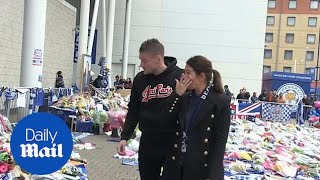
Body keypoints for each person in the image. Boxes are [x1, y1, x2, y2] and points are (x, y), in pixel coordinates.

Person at [117, 38, 183, 180]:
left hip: (172, 141)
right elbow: (133, 110)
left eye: (144, 60)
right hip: (148, 141)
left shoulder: (179, 76)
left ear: (158, 59)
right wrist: (125, 137)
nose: (140, 65)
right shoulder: (140, 80)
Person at [170, 55, 231, 180]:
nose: (183, 77)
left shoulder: (220, 102)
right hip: (179, 164)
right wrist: (177, 96)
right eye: (184, 73)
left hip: (202, 168)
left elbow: (220, 141)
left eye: (188, 73)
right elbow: (168, 119)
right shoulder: (185, 97)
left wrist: (212, 175)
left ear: (201, 76)